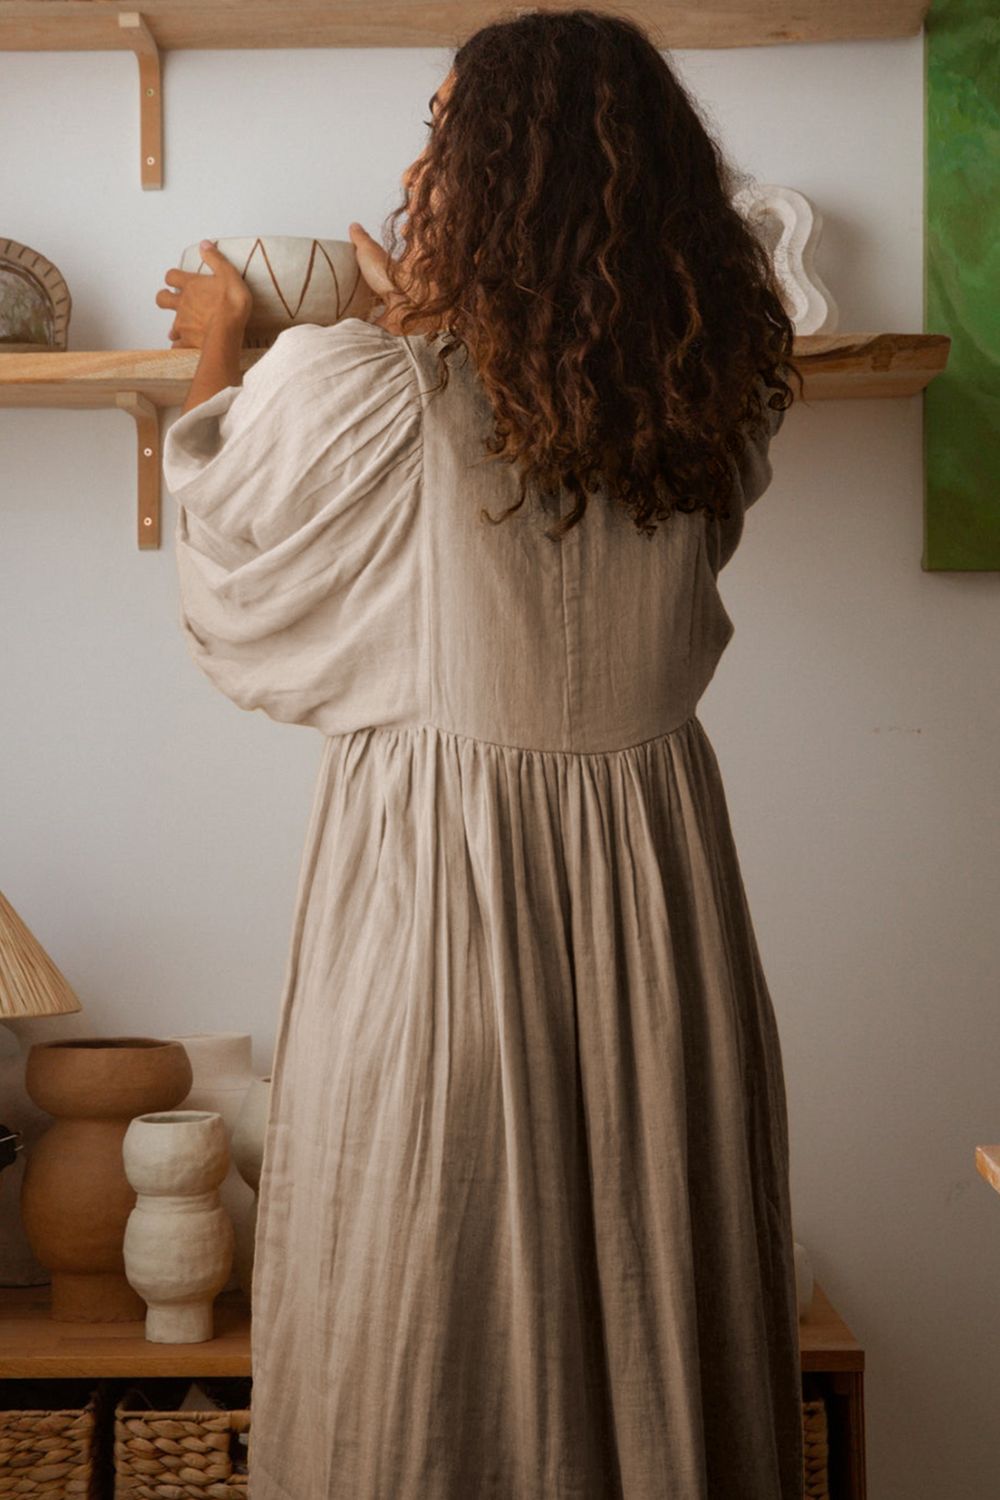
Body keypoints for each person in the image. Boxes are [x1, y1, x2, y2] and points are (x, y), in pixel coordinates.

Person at [157, 9, 804, 1497]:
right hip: (659, 913)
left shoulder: (365, 388)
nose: (413, 170)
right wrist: (431, 332)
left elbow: (226, 557)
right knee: (652, 1277)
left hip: (443, 913)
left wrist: (224, 349)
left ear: (497, 178)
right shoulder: (708, 408)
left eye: (443, 137)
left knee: (423, 1312)